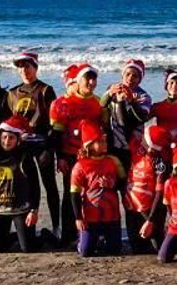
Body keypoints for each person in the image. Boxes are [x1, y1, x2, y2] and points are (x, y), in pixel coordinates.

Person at [7, 51, 61, 237]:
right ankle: (29, 228)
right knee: (29, 186)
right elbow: (9, 123)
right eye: (20, 67)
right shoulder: (13, 93)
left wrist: (53, 148)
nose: (24, 70)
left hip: (43, 145)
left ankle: (56, 227)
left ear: (35, 68)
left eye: (27, 66)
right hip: (22, 147)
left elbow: (56, 122)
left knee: (50, 185)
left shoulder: (46, 90)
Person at [50, 63, 106, 241]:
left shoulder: (98, 102)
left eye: (93, 78)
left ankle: (93, 233)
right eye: (87, 78)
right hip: (69, 155)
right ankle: (68, 234)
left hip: (92, 157)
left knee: (93, 193)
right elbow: (56, 134)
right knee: (70, 193)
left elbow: (104, 130)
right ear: (78, 80)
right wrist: (60, 158)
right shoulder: (61, 103)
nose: (90, 82)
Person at [0, 117, 42, 253]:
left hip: (21, 210)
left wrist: (33, 211)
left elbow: (35, 187)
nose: (7, 141)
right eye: (4, 137)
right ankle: (13, 236)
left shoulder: (25, 158)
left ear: (18, 139)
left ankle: (36, 235)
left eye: (11, 138)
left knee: (27, 249)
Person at [71, 124, 125, 258]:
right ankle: (83, 239)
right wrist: (78, 217)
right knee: (85, 252)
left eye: (104, 140)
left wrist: (113, 184)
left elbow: (124, 183)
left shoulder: (113, 161)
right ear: (89, 146)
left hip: (111, 215)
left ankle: (100, 240)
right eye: (100, 141)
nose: (105, 144)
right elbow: (74, 193)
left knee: (114, 251)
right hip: (91, 216)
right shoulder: (80, 165)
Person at [124, 123, 172, 253]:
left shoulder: (160, 164)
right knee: (136, 247)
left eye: (145, 138)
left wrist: (150, 220)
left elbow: (159, 193)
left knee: (159, 248)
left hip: (150, 209)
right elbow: (126, 127)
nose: (141, 139)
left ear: (151, 147)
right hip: (131, 205)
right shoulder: (137, 147)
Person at [102, 58, 152, 172]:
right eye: (127, 74)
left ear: (140, 79)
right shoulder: (113, 90)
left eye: (135, 76)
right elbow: (101, 105)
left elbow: (138, 118)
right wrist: (109, 94)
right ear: (122, 75)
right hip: (113, 143)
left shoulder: (144, 97)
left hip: (133, 146)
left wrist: (131, 102)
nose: (130, 78)